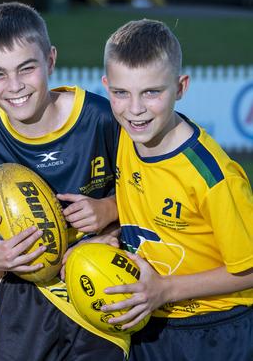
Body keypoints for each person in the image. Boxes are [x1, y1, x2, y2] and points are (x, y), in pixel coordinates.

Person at [0, 2, 130, 360]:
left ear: (50, 60)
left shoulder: (102, 120)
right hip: (21, 299)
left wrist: (109, 211)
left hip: (99, 287)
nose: (15, 86)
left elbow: (150, 200)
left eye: (27, 68)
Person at [99, 19, 253, 360]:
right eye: (121, 93)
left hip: (216, 330)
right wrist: (107, 229)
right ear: (106, 86)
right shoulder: (125, 136)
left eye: (152, 92)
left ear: (180, 87)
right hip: (150, 321)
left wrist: (166, 289)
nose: (135, 109)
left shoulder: (214, 177)